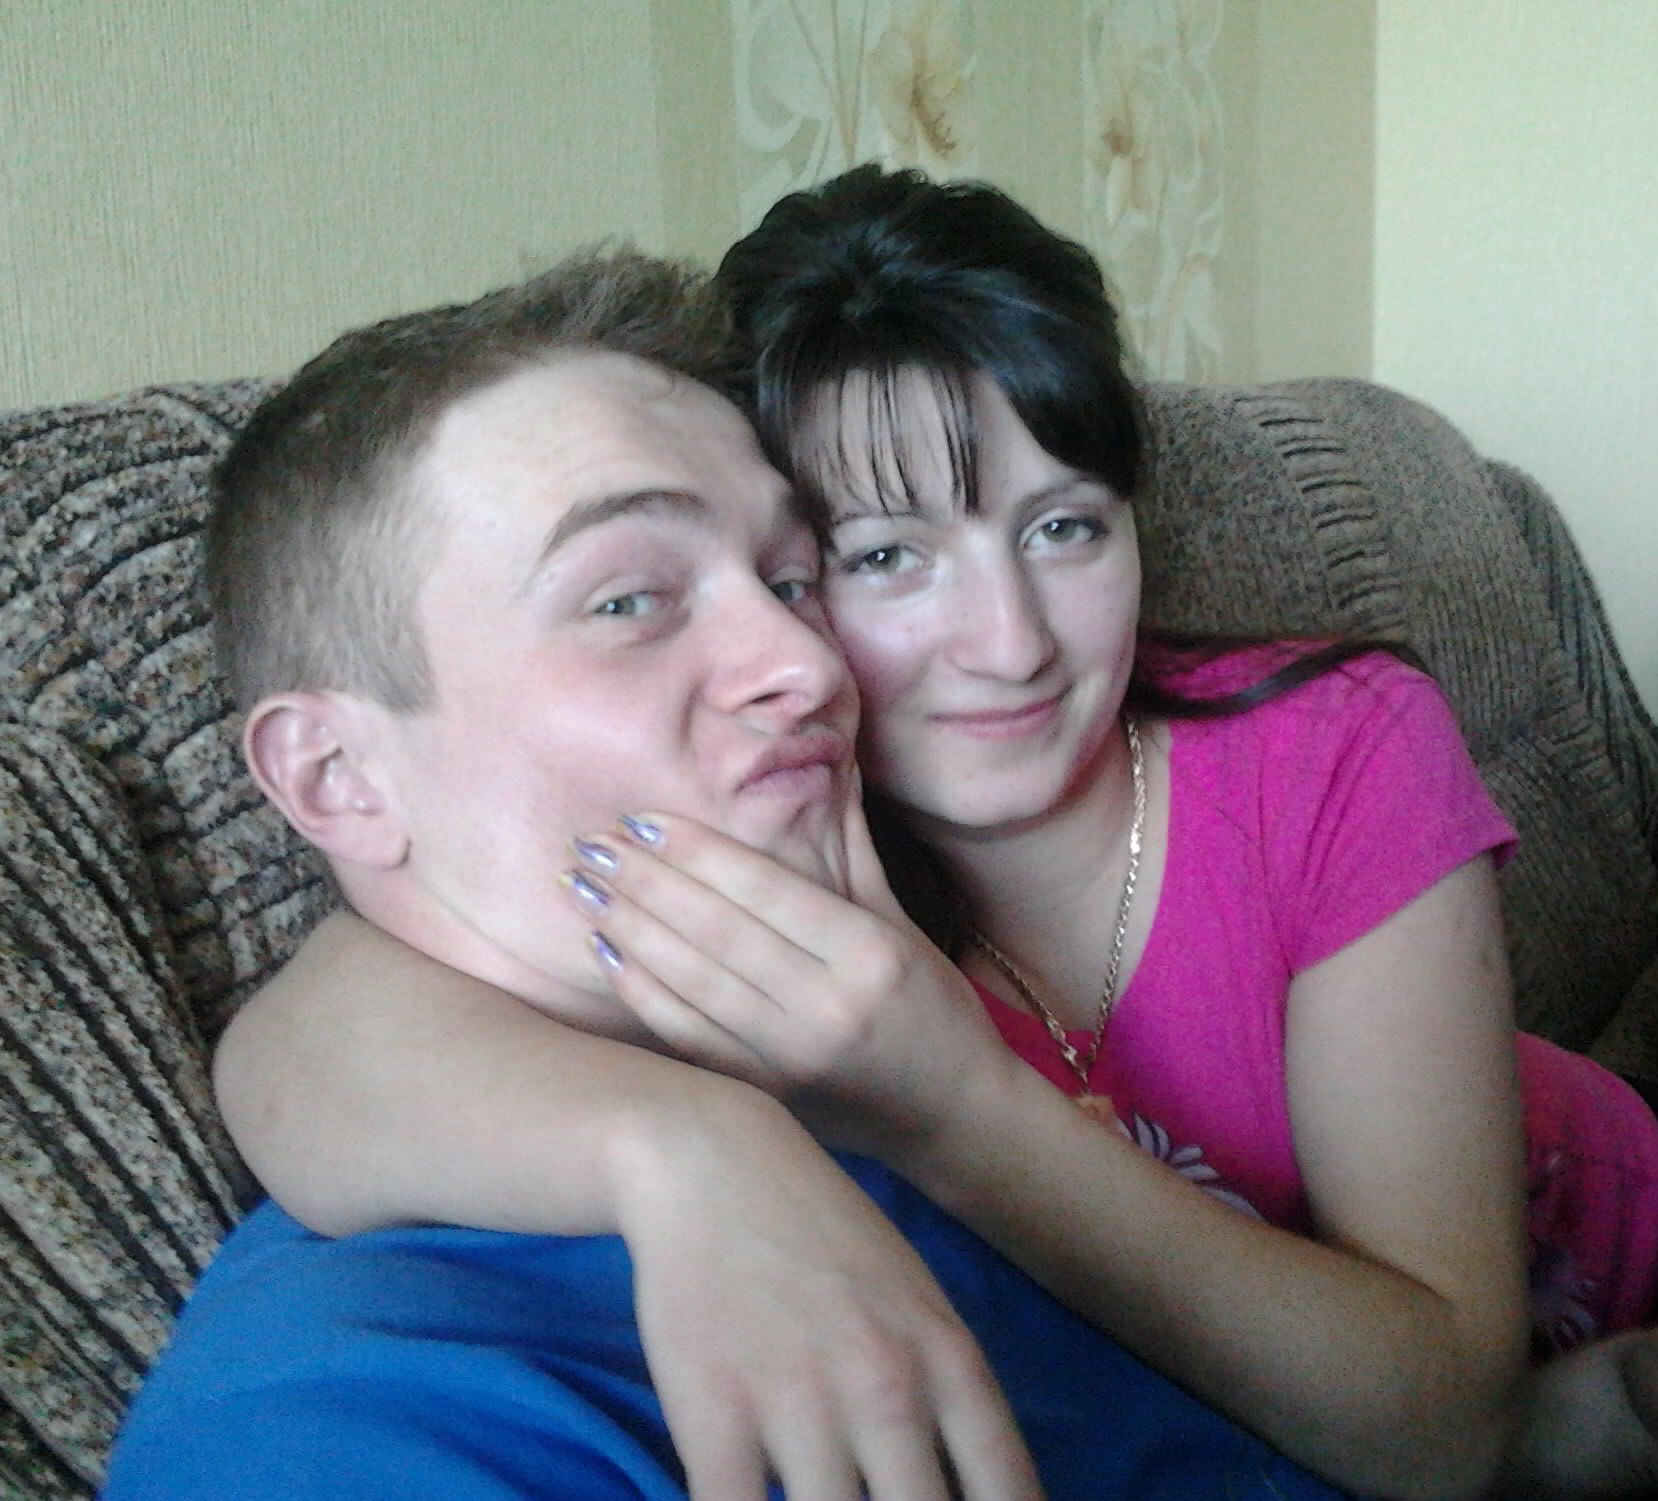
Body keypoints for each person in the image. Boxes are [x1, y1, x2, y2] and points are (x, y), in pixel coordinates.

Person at [206, 169, 1658, 1500]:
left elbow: (1431, 1420)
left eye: (1065, 527)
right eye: (879, 558)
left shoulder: (1308, 747)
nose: (1006, 643)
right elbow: (329, 1011)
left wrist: (938, 1105)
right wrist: (684, 1152)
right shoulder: (790, 865)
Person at [101, 248, 1349, 1501]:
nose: (808, 665)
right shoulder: (349, 1418)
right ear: (337, 779)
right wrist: (676, 1150)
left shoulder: (873, 1046)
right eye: (627, 600)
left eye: (793, 580)